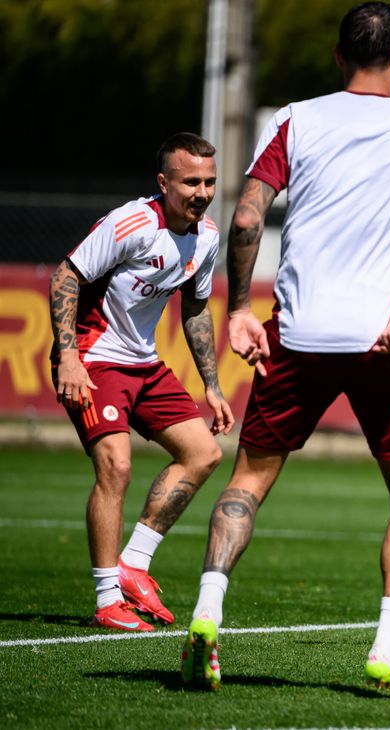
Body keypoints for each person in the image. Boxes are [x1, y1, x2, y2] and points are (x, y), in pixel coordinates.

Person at [179, 2, 390, 695]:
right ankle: (388, 648)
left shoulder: (294, 119)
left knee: (249, 479)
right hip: (380, 339)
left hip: (297, 334)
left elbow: (246, 215)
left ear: (339, 57)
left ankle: (207, 612)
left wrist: (241, 307)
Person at [47, 132, 233, 632]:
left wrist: (211, 386)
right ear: (163, 182)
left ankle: (134, 564)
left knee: (204, 453)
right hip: (93, 358)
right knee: (117, 466)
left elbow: (195, 308)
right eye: (190, 181)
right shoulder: (132, 223)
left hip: (143, 364)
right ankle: (109, 598)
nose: (202, 191)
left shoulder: (208, 235)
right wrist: (68, 356)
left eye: (210, 182)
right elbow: (66, 275)